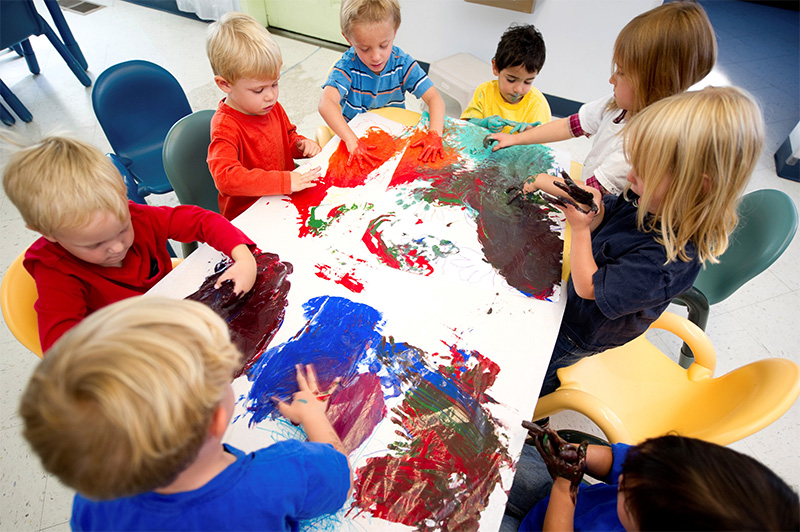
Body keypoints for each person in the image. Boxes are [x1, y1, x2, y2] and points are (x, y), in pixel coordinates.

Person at [19, 296, 351, 531]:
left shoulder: (93, 506)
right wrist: (313, 417)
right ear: (217, 420)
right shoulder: (280, 475)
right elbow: (338, 477)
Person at [531, 86, 764, 397]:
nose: (630, 177)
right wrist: (596, 210)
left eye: (645, 171)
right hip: (570, 297)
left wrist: (583, 231)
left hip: (579, 330)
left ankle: (539, 405)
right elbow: (615, 210)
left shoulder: (666, 261)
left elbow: (588, 288)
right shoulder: (655, 198)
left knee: (539, 373)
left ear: (696, 185)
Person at [2, 136, 258, 352]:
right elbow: (62, 349)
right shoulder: (55, 271)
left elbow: (199, 221)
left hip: (180, 311)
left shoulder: (136, 217)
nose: (117, 247)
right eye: (95, 245)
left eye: (123, 229)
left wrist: (243, 258)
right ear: (49, 234)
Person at [489, 1, 716, 196]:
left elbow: (589, 193)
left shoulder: (640, 144)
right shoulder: (618, 104)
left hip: (598, 213)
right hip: (586, 188)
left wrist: (540, 180)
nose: (611, 79)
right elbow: (570, 125)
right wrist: (517, 139)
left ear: (656, 84)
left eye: (622, 72)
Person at [503, 427, 799, 531]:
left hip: (559, 510)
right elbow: (621, 463)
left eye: (627, 496)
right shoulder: (669, 474)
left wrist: (565, 484)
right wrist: (574, 455)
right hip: (560, 498)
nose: (621, 480)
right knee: (492, 455)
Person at [206, 12, 322, 220]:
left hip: (282, 200)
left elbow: (286, 138)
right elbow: (225, 178)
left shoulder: (270, 107)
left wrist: (300, 145)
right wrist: (283, 182)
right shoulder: (225, 126)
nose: (270, 95)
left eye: (275, 84)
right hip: (249, 215)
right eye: (258, 90)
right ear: (225, 84)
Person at [318, 0, 447, 166]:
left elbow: (434, 98)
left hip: (393, 137)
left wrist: (434, 135)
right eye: (365, 48)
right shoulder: (347, 68)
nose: (376, 56)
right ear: (349, 39)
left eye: (383, 45)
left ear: (394, 32)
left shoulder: (402, 63)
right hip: (357, 140)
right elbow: (325, 104)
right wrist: (351, 140)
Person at [461, 24, 550, 135]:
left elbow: (542, 142)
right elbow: (466, 125)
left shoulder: (537, 104)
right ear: (495, 67)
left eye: (528, 82)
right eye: (511, 80)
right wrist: (484, 123)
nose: (518, 89)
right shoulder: (484, 91)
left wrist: (530, 134)